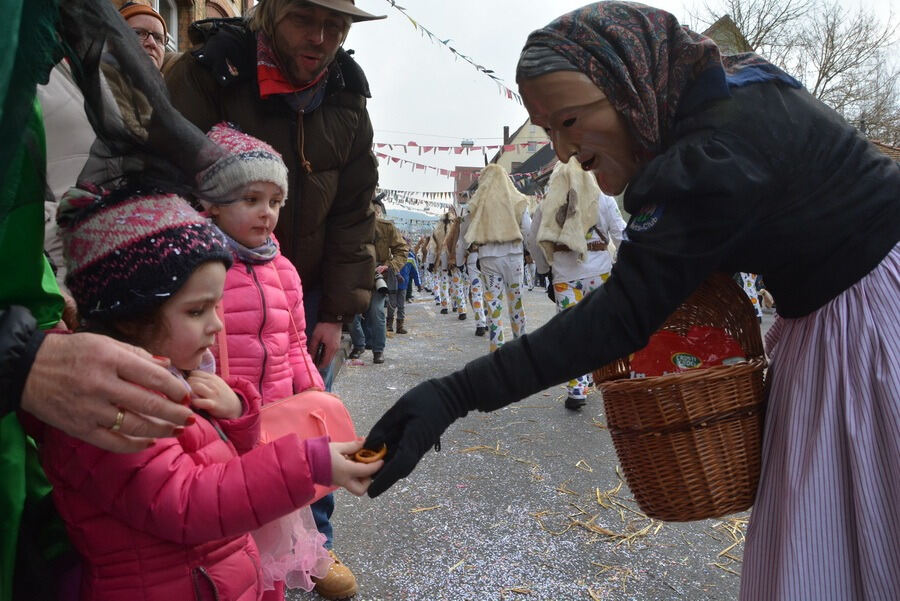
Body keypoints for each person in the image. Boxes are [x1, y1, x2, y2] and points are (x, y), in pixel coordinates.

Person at [362, 4, 900, 601]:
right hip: (841, 318)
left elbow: (621, 315)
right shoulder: (726, 97)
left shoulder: (713, 149)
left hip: (869, 330)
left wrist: (454, 394)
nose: (564, 151)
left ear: (626, 86)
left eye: (569, 121)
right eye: (549, 131)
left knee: (840, 548)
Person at [21, 185, 381, 601]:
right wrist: (310, 464)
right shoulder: (108, 406)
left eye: (216, 306)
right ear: (130, 316)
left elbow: (216, 458)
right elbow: (190, 501)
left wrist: (236, 415)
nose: (217, 325)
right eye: (196, 310)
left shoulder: (174, 375)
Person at [165, 0, 384, 385]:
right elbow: (165, 187)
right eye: (302, 19)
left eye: (334, 26)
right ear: (271, 15)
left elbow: (354, 212)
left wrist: (335, 315)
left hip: (308, 298)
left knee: (298, 414)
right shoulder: (209, 72)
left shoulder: (347, 96)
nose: (318, 38)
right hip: (215, 294)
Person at [199, 123, 340, 600]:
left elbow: (296, 341)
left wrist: (312, 391)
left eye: (275, 202)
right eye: (251, 199)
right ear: (214, 201)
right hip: (221, 423)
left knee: (276, 530)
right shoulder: (201, 266)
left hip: (274, 417)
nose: (267, 213)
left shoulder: (284, 269)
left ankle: (278, 584)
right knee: (230, 533)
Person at [526, 159, 626, 410]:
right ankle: (606, 380)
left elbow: (533, 239)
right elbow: (620, 233)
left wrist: (543, 270)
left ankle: (577, 389)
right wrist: (625, 265)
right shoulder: (603, 198)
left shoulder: (547, 203)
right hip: (600, 272)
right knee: (600, 327)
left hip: (564, 275)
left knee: (571, 332)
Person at [462, 164, 532, 352]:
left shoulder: (479, 202)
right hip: (514, 255)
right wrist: (530, 251)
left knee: (493, 304)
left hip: (488, 257)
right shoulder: (517, 199)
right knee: (516, 302)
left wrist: (463, 254)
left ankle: (497, 349)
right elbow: (528, 229)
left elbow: (465, 231)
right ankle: (521, 346)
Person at [349, 196, 408, 365]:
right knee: (350, 312)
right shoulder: (352, 227)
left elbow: (402, 249)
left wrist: (389, 266)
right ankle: (359, 344)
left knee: (377, 312)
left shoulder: (386, 227)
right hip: (356, 274)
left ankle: (378, 350)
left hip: (377, 275)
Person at [456, 206, 487, 337]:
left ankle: (481, 324)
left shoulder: (467, 218)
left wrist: (459, 262)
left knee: (476, 291)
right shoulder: (493, 210)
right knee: (491, 292)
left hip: (474, 257)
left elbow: (462, 241)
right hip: (491, 255)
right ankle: (492, 322)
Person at [390, 248, 422, 335]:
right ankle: (388, 326)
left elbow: (415, 272)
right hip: (392, 284)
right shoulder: (391, 255)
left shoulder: (411, 257)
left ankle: (399, 327)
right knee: (391, 305)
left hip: (403, 285)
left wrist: (418, 283)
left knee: (401, 305)